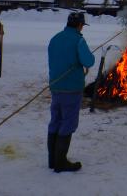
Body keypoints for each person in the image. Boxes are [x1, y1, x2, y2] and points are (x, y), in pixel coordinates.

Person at [47, 11, 95, 173]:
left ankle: (52, 160)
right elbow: (89, 61)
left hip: (55, 86)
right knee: (68, 122)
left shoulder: (55, 38)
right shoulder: (78, 40)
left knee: (56, 120)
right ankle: (61, 163)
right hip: (72, 88)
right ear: (80, 25)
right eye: (82, 25)